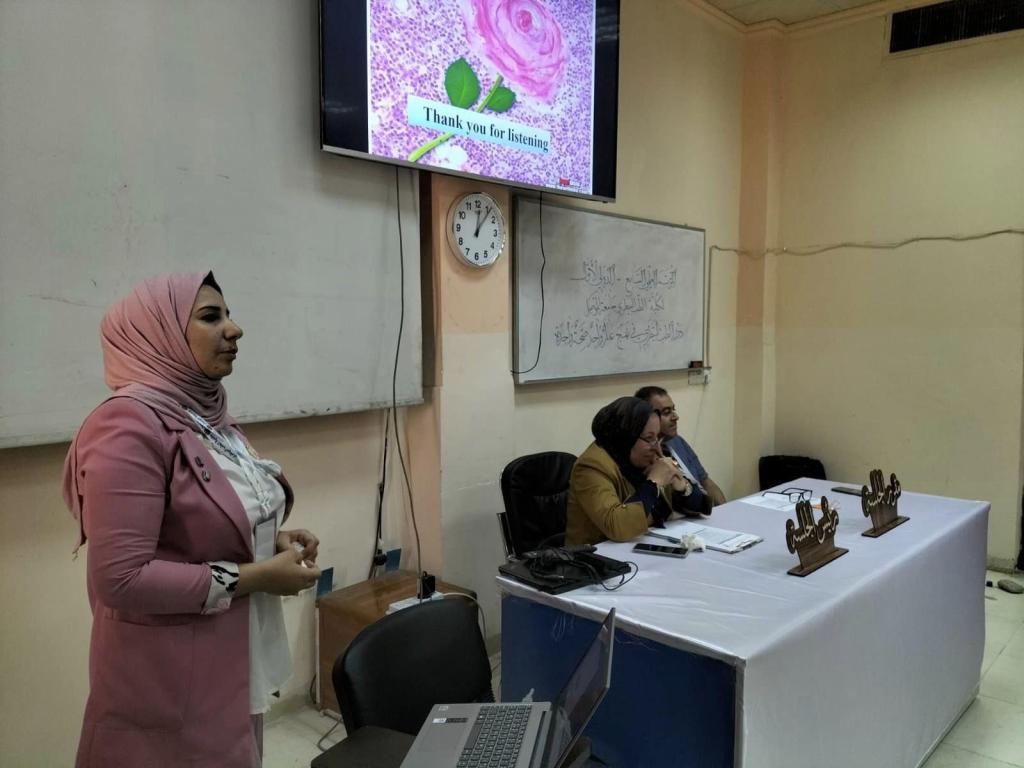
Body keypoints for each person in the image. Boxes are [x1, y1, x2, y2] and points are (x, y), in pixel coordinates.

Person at [62, 272, 322, 768]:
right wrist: (258, 575)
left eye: (228, 314)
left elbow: (202, 520)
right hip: (170, 682)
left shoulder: (206, 415)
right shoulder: (125, 425)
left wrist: (270, 539)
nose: (234, 329)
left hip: (232, 662)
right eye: (210, 317)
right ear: (157, 333)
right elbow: (121, 578)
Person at [565, 397, 711, 546]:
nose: (656, 446)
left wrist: (683, 488)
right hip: (595, 554)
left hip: (644, 544)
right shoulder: (591, 467)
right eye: (649, 438)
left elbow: (699, 506)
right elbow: (617, 526)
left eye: (657, 437)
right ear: (626, 438)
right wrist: (653, 483)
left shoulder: (649, 455)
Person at [635, 385, 727, 507]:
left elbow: (705, 481)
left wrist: (725, 509)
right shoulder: (644, 457)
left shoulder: (678, 441)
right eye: (667, 412)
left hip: (705, 509)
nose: (675, 417)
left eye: (673, 410)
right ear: (648, 417)